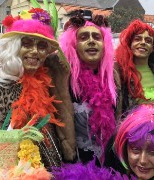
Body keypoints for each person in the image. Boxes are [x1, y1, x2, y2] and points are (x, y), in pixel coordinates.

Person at [0, 6, 76, 168]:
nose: (34, 51)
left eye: (41, 46)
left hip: (47, 169)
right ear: (14, 47)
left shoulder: (48, 82)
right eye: (27, 44)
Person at [59, 10, 121, 164]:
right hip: (75, 165)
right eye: (84, 37)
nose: (91, 41)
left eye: (97, 37)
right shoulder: (62, 78)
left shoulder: (113, 76)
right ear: (73, 44)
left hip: (109, 162)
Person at [115, 19, 154, 113]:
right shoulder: (120, 74)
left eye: (148, 40)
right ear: (129, 44)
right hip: (132, 126)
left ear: (152, 48)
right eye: (137, 39)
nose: (143, 43)